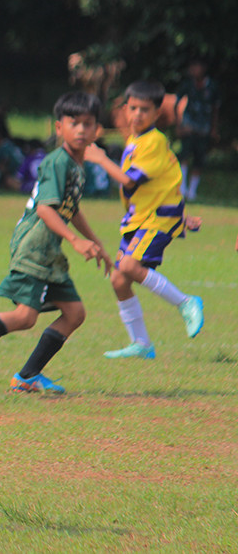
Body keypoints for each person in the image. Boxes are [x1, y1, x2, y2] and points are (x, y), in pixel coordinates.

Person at [0, 92, 113, 394]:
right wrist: (75, 241)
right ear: (59, 128)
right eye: (74, 123)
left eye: (88, 124)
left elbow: (72, 208)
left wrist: (95, 243)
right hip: (35, 246)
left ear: (97, 129)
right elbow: (45, 209)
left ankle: (27, 376)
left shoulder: (76, 165)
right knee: (24, 317)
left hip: (49, 250)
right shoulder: (58, 162)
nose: (82, 129)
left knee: (74, 313)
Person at [84, 80, 205, 359]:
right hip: (140, 218)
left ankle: (186, 302)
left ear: (156, 113)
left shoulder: (154, 141)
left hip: (156, 219)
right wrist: (184, 216)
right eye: (134, 108)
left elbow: (129, 180)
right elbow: (161, 183)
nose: (138, 114)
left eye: (145, 109)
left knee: (128, 265)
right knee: (118, 279)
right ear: (126, 109)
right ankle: (141, 344)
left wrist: (101, 159)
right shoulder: (136, 140)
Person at [174, 59, 222, 201]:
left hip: (204, 129)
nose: (193, 69)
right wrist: (179, 125)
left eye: (196, 66)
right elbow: (176, 103)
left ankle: (192, 192)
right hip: (189, 128)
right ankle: (182, 189)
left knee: (199, 159)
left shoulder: (212, 87)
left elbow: (215, 109)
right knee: (184, 156)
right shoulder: (188, 85)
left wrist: (214, 129)